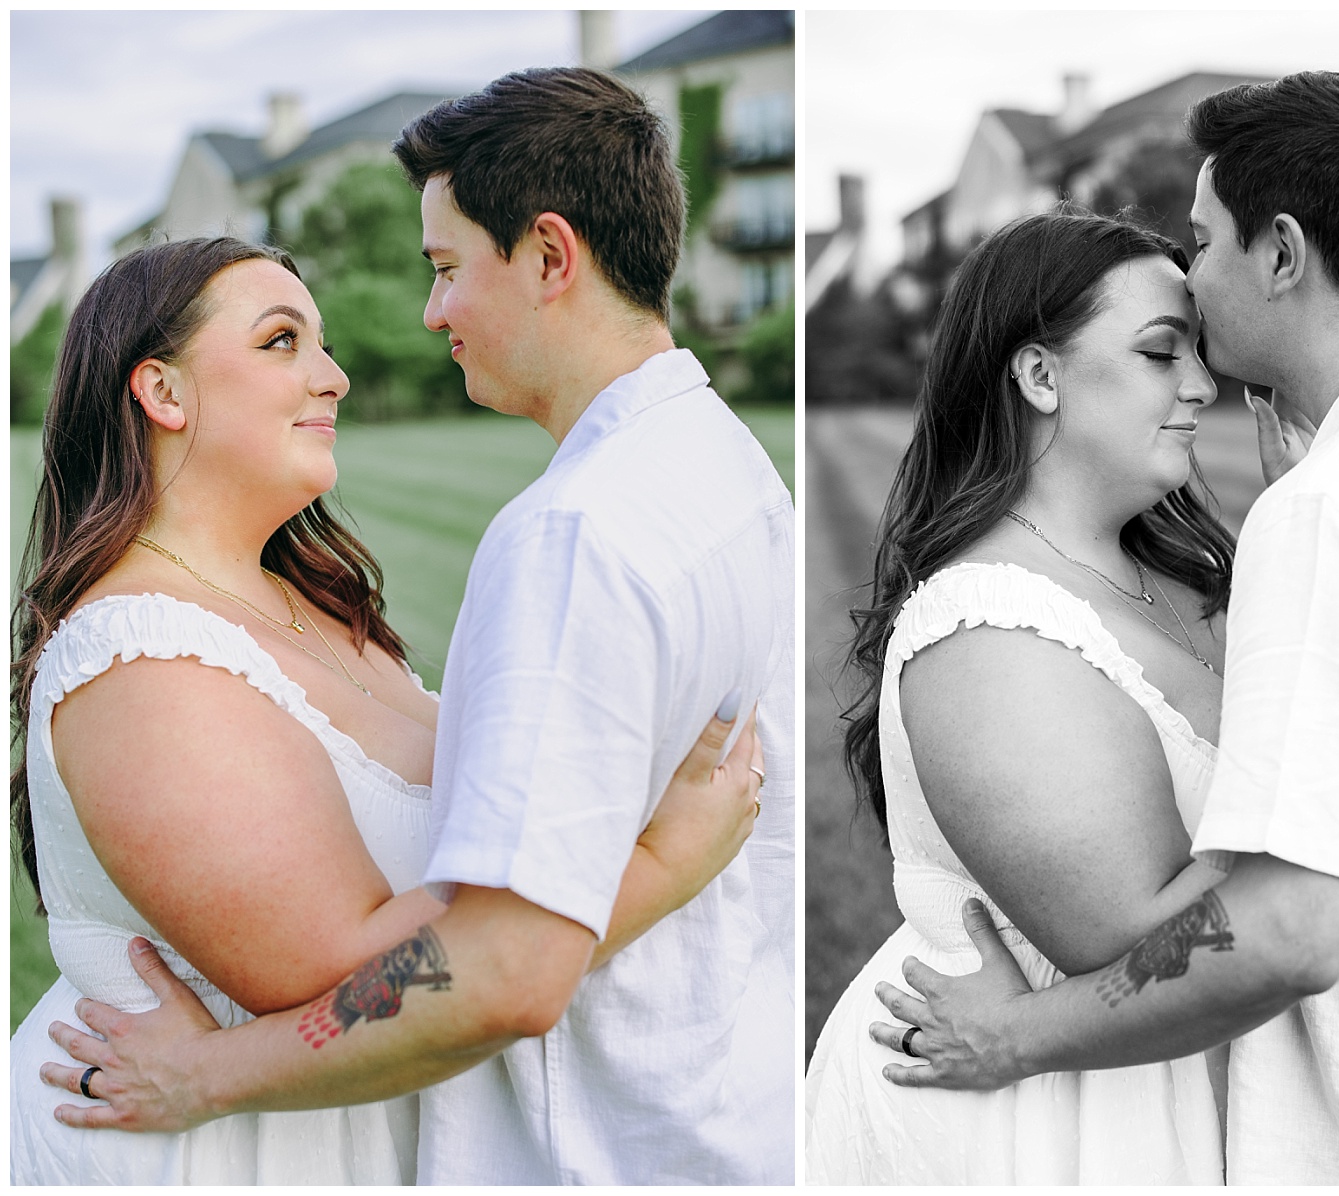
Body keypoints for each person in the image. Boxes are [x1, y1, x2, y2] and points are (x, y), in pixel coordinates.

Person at [42, 66, 796, 1186]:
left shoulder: (361, 601)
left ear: (549, 257)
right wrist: (665, 862)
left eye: (445, 271)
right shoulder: (137, 662)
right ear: (163, 392)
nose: (340, 373)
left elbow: (496, 957)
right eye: (283, 343)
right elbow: (465, 967)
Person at [870, 73, 1339, 1185]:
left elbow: (1293, 922)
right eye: (1162, 349)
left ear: (1284, 252)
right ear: (1038, 372)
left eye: (1202, 243)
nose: (1199, 323)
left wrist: (1013, 1034)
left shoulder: (1331, 514)